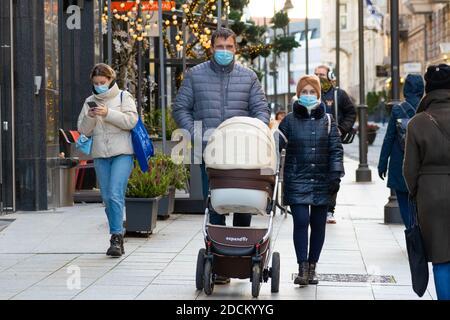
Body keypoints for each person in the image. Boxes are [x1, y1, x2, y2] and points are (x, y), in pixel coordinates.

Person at [172, 27, 270, 283]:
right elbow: (181, 107)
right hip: (212, 153)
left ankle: (239, 256)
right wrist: (198, 135)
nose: (224, 51)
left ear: (235, 49)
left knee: (243, 202)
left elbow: (261, 110)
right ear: (212, 48)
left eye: (229, 47)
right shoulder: (195, 75)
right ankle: (218, 261)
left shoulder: (248, 77)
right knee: (215, 205)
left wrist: (253, 133)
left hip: (243, 153)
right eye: (219, 47)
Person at [278, 75, 344, 286]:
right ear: (298, 94)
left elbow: (336, 150)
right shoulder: (289, 120)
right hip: (296, 178)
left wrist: (335, 174)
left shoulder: (328, 121)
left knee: (318, 225)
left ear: (318, 95)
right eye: (304, 92)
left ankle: (313, 268)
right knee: (300, 221)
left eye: (312, 92)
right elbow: (276, 145)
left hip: (322, 180)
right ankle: (302, 267)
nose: (308, 95)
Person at [78, 63, 138, 257]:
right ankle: (117, 231)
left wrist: (108, 113)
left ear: (111, 80)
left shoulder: (123, 97)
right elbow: (83, 131)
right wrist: (90, 117)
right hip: (100, 155)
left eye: (103, 82)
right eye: (96, 83)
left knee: (114, 194)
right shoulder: (89, 101)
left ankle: (116, 237)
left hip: (122, 153)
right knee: (106, 197)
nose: (99, 86)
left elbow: (131, 121)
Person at [403, 64, 450, 300]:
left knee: (441, 258)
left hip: (431, 196)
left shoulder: (418, 122)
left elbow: (409, 170)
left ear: (428, 89)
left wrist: (417, 194)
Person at [378, 74, 424, 228]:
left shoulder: (398, 109)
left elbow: (389, 138)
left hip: (399, 164)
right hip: (421, 164)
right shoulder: (426, 108)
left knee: (403, 202)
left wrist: (382, 164)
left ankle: (411, 234)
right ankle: (420, 233)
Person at [314, 65, 356, 224]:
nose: (319, 77)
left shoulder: (339, 94)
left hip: (333, 143)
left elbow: (351, 112)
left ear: (330, 76)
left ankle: (330, 210)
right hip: (313, 142)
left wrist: (341, 129)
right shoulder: (310, 93)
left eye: (322, 74)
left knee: (333, 176)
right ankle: (317, 207)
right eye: (316, 74)